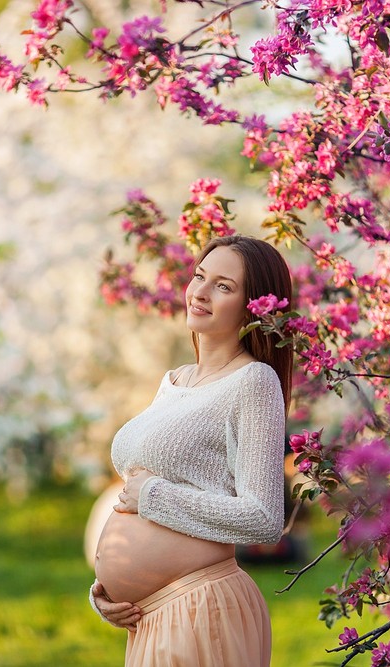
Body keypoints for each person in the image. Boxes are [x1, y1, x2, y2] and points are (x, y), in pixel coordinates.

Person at [89, 234, 293, 667]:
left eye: (223, 286)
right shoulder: (175, 381)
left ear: (253, 306)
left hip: (201, 607)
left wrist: (154, 496)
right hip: (151, 616)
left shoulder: (253, 382)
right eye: (199, 276)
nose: (199, 292)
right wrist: (110, 588)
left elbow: (263, 518)